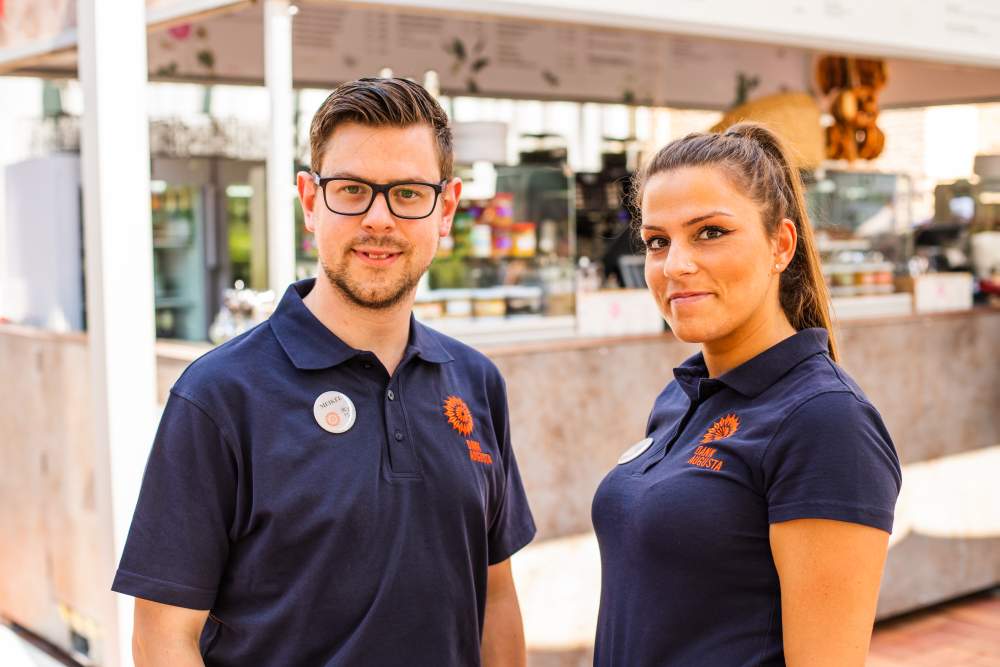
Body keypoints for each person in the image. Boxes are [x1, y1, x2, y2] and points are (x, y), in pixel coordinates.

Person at [112, 77, 535, 667]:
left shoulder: (476, 382)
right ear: (310, 201)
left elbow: (495, 596)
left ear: (446, 208)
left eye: (408, 193)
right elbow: (161, 638)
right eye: (352, 189)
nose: (379, 219)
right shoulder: (219, 397)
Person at [591, 123, 901, 666]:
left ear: (781, 244)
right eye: (658, 241)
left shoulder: (826, 421)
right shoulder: (680, 398)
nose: (676, 265)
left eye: (709, 232)